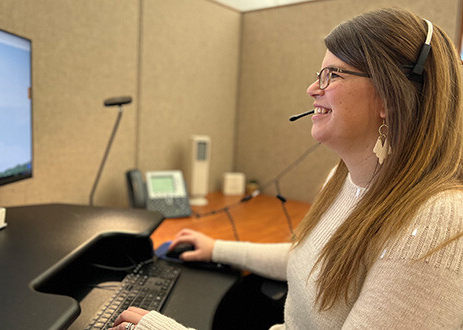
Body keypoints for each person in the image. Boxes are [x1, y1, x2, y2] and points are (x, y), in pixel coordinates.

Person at [111, 7, 462, 330]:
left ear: (389, 96)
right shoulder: (343, 179)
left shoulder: (436, 222)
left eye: (332, 75)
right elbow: (312, 261)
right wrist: (217, 248)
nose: (312, 89)